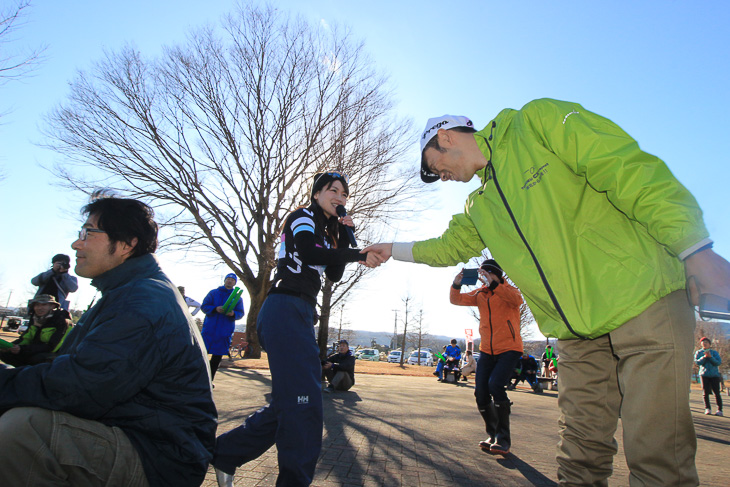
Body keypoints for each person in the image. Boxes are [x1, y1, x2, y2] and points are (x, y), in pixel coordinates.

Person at [364, 99, 730, 485]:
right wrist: (391, 249)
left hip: (645, 302)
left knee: (657, 457)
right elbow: (444, 247)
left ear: (445, 136)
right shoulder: (478, 207)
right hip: (578, 336)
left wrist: (694, 249)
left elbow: (625, 168)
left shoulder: (534, 124)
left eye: (439, 168)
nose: (444, 178)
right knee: (578, 460)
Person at [0, 197, 217, 487]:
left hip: (160, 455)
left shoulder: (143, 300)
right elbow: (68, 366)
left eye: (88, 233)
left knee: (23, 431)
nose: (77, 244)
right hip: (130, 431)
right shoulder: (124, 292)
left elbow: (80, 387)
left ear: (126, 244)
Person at [212, 172, 378, 487]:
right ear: (316, 194)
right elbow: (309, 252)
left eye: (344, 194)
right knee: (306, 405)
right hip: (284, 308)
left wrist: (344, 238)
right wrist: (358, 253)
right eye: (333, 190)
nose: (340, 197)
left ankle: (226, 454)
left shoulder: (327, 231)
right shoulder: (302, 216)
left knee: (292, 402)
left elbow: (335, 273)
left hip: (300, 312)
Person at [450, 260, 523, 454]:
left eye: (490, 274)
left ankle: (503, 438)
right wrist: (457, 283)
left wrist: (495, 285)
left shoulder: (509, 291)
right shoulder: (481, 294)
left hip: (509, 348)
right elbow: (456, 300)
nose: (486, 278)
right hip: (487, 350)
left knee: (495, 385)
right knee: (481, 392)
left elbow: (517, 301)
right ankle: (492, 434)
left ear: (498, 275)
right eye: (484, 274)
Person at [0, 294, 72, 367]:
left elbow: (52, 347)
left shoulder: (62, 321)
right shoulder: (35, 319)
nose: (40, 308)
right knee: (4, 353)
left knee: (36, 359)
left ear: (52, 306)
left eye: (44, 305)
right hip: (34, 350)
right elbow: (26, 338)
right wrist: (10, 347)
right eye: (37, 305)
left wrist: (22, 349)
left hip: (55, 355)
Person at [201, 274, 245, 380]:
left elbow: (241, 313)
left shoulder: (237, 298)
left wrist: (233, 313)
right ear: (225, 281)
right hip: (209, 329)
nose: (230, 281)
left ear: (235, 283)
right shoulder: (213, 293)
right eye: (228, 279)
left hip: (224, 331)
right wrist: (215, 308)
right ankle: (198, 379)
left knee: (217, 357)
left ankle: (209, 380)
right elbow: (204, 306)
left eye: (232, 280)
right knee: (201, 356)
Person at [695, 337, 723, 416]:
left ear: (709, 344)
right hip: (704, 374)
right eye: (703, 342)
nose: (704, 343)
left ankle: (719, 409)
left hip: (714, 375)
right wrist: (704, 357)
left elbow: (718, 363)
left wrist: (710, 357)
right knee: (705, 392)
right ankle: (707, 408)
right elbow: (697, 362)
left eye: (706, 342)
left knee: (717, 392)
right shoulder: (699, 352)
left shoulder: (714, 353)